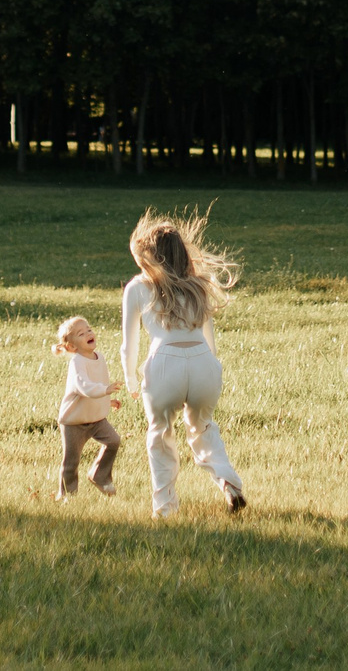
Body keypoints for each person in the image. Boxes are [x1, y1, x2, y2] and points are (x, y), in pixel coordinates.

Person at [120, 210, 247, 519]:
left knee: (160, 434)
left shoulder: (137, 288)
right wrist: (212, 368)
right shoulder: (197, 285)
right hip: (203, 363)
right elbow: (210, 339)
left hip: (165, 364)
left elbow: (128, 344)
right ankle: (230, 484)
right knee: (203, 428)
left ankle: (165, 507)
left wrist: (131, 380)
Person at [51, 315, 121, 500]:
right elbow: (84, 387)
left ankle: (99, 475)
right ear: (72, 346)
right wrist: (105, 390)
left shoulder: (100, 357)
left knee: (113, 441)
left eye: (89, 329)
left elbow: (98, 382)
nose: (88, 334)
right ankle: (67, 496)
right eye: (81, 334)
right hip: (74, 421)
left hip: (96, 419)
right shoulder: (77, 363)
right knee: (71, 462)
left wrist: (107, 400)